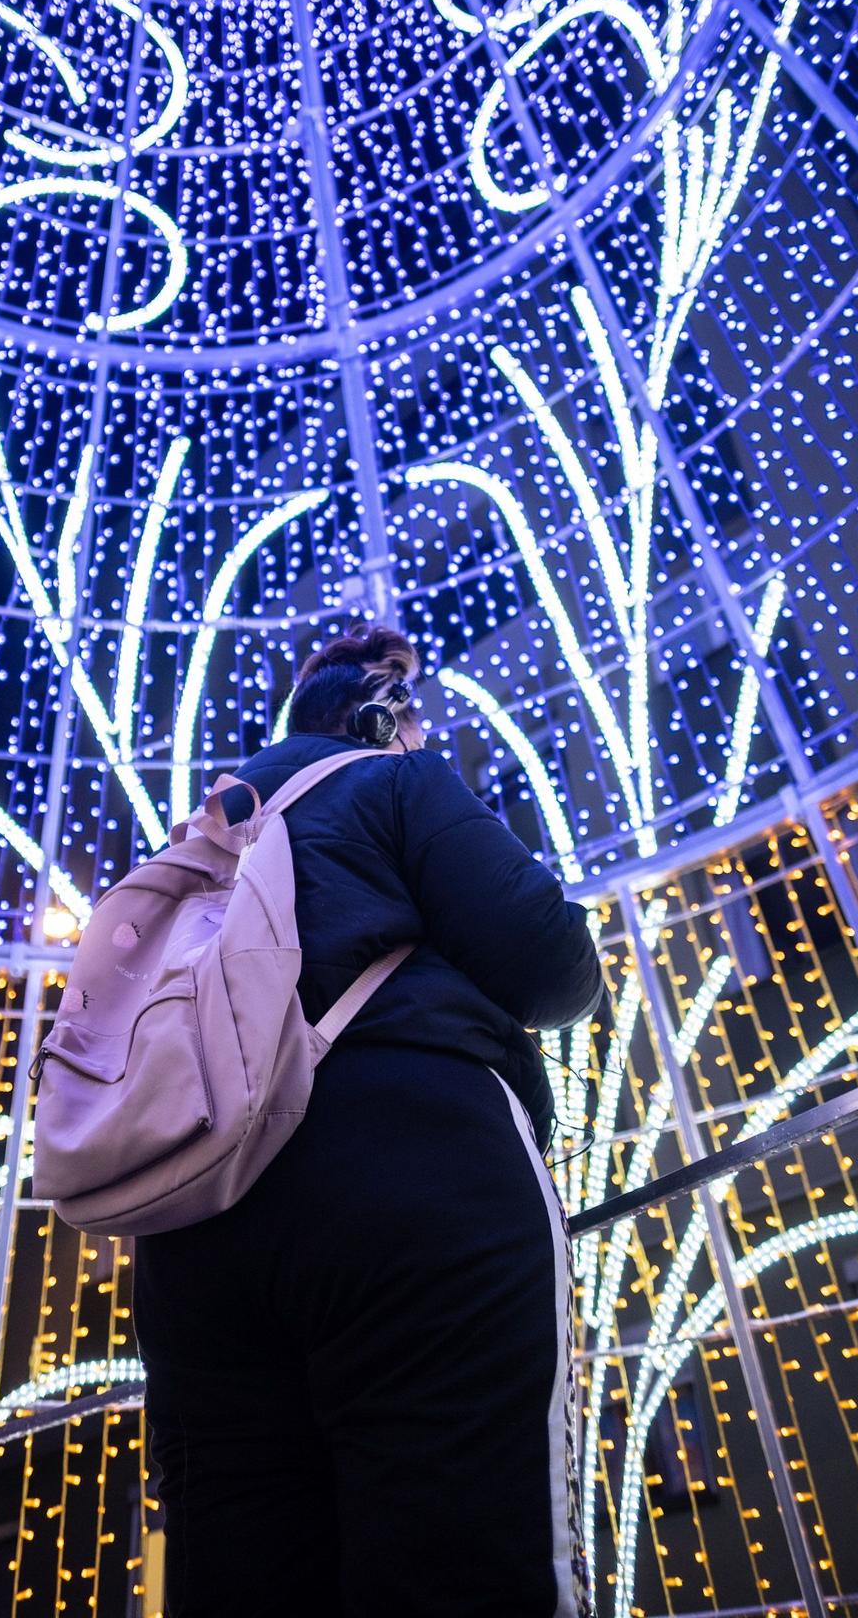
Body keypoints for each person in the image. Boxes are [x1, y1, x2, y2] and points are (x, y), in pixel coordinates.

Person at [132, 621, 605, 1617]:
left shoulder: (197, 836)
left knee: (244, 1570)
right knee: (459, 1558)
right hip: (412, 1175)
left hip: (190, 1222)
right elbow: (554, 967)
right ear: (383, 712)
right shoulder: (395, 779)